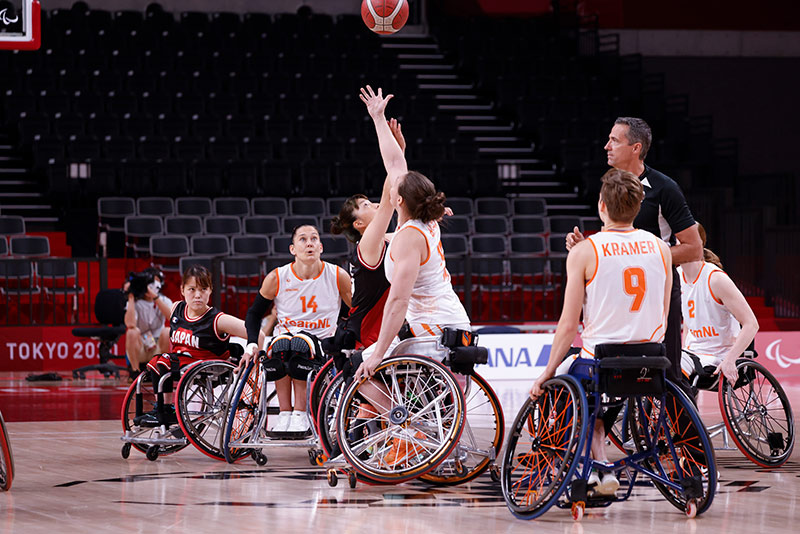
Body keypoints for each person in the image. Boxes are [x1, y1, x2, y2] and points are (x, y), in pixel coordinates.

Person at [532, 168, 672, 495]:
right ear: (638, 207)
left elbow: (568, 326)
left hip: (600, 363)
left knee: (562, 377)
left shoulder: (585, 251)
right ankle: (601, 462)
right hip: (649, 360)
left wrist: (545, 374)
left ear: (601, 206)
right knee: (598, 398)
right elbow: (663, 312)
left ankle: (578, 466)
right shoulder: (661, 248)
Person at [567, 117, 702, 398]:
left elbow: (693, 248)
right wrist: (588, 248)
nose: (606, 146)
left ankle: (689, 440)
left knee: (668, 372)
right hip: (618, 288)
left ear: (636, 148)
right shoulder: (612, 184)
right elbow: (619, 239)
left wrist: (649, 257)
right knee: (616, 371)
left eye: (615, 140)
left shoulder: (664, 188)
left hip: (658, 289)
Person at [242, 225, 352, 435]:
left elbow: (354, 310)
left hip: (322, 344)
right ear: (293, 249)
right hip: (285, 343)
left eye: (314, 239)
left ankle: (300, 413)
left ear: (321, 247)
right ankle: (285, 414)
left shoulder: (338, 275)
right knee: (282, 344)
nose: (309, 243)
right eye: (303, 239)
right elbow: (254, 314)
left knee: (299, 345)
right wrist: (252, 344)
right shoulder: (277, 277)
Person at [137, 265, 249, 425]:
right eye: (192, 289)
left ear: (210, 290)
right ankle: (164, 409)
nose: (198, 295)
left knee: (163, 361)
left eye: (203, 289)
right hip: (183, 363)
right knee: (157, 361)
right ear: (182, 290)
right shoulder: (176, 308)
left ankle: (166, 408)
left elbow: (256, 333)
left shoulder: (218, 319)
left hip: (207, 364)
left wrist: (250, 350)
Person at [329, 118, 404, 350]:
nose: (371, 204)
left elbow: (407, 217)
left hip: (384, 325)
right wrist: (395, 159)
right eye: (364, 205)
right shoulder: (368, 244)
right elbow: (388, 200)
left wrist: (399, 154)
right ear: (359, 223)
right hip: (367, 328)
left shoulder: (386, 239)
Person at [678, 225, 759, 385]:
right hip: (691, 354)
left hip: (718, 356)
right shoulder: (677, 276)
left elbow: (751, 324)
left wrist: (730, 360)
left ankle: (675, 410)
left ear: (697, 244)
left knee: (673, 368)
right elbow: (688, 321)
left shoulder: (715, 279)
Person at [124, 267, 172, 376]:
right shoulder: (135, 302)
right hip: (141, 346)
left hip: (158, 346)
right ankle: (135, 372)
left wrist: (155, 298)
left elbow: (171, 317)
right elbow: (130, 324)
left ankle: (165, 371)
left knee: (167, 331)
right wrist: (130, 297)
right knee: (132, 332)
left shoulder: (164, 300)